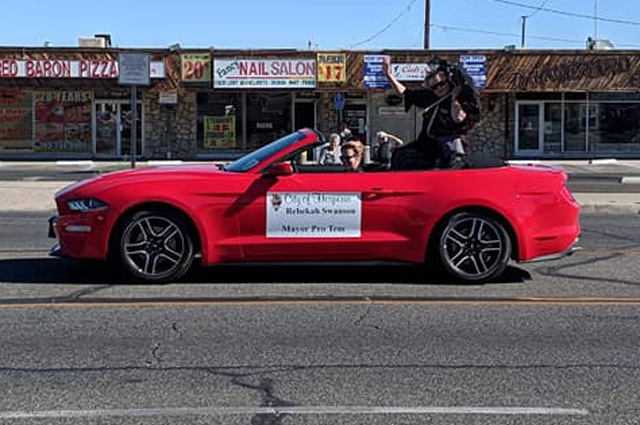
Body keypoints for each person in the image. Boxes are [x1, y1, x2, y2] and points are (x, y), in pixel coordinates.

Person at [383, 55, 480, 170]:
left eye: (441, 84)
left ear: (448, 81)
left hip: (449, 145)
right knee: (400, 156)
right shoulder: (429, 97)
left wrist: (455, 98)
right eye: (434, 87)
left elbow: (458, 118)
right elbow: (405, 92)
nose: (439, 88)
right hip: (427, 145)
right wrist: (389, 75)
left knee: (450, 158)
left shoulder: (461, 98)